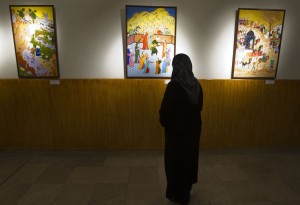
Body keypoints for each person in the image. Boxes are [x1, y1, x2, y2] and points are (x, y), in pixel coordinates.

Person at [159, 53, 203, 205]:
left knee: (175, 164)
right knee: (188, 161)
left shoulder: (174, 87)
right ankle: (186, 192)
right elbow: (199, 107)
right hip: (193, 133)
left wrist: (165, 122)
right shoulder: (197, 84)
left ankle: (177, 194)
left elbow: (164, 114)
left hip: (176, 135)